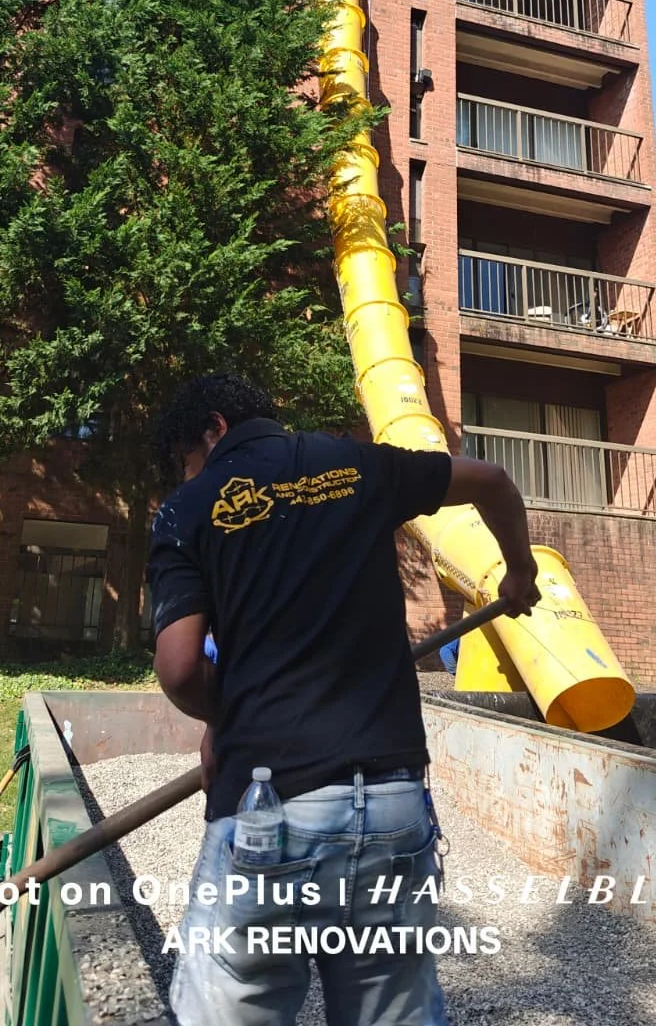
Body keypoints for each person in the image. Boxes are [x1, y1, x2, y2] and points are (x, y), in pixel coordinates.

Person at [146, 374, 539, 1026]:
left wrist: (228, 718)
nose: (190, 473)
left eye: (188, 459)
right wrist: (520, 571)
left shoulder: (185, 509)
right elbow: (493, 480)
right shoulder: (355, 464)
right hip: (389, 806)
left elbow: (181, 668)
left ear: (213, 428)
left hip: (266, 808)